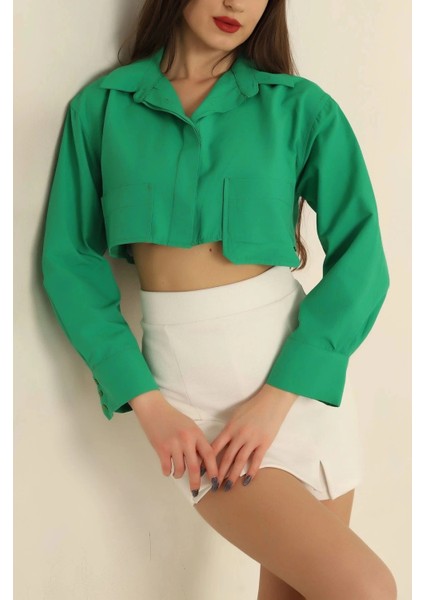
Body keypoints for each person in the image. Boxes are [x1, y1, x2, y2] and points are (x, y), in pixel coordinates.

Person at [41, 0, 398, 598]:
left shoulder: (300, 108)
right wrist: (148, 404)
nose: (237, 3)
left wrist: (277, 398)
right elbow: (69, 264)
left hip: (299, 390)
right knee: (366, 587)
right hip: (195, 404)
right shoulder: (104, 109)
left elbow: (364, 259)